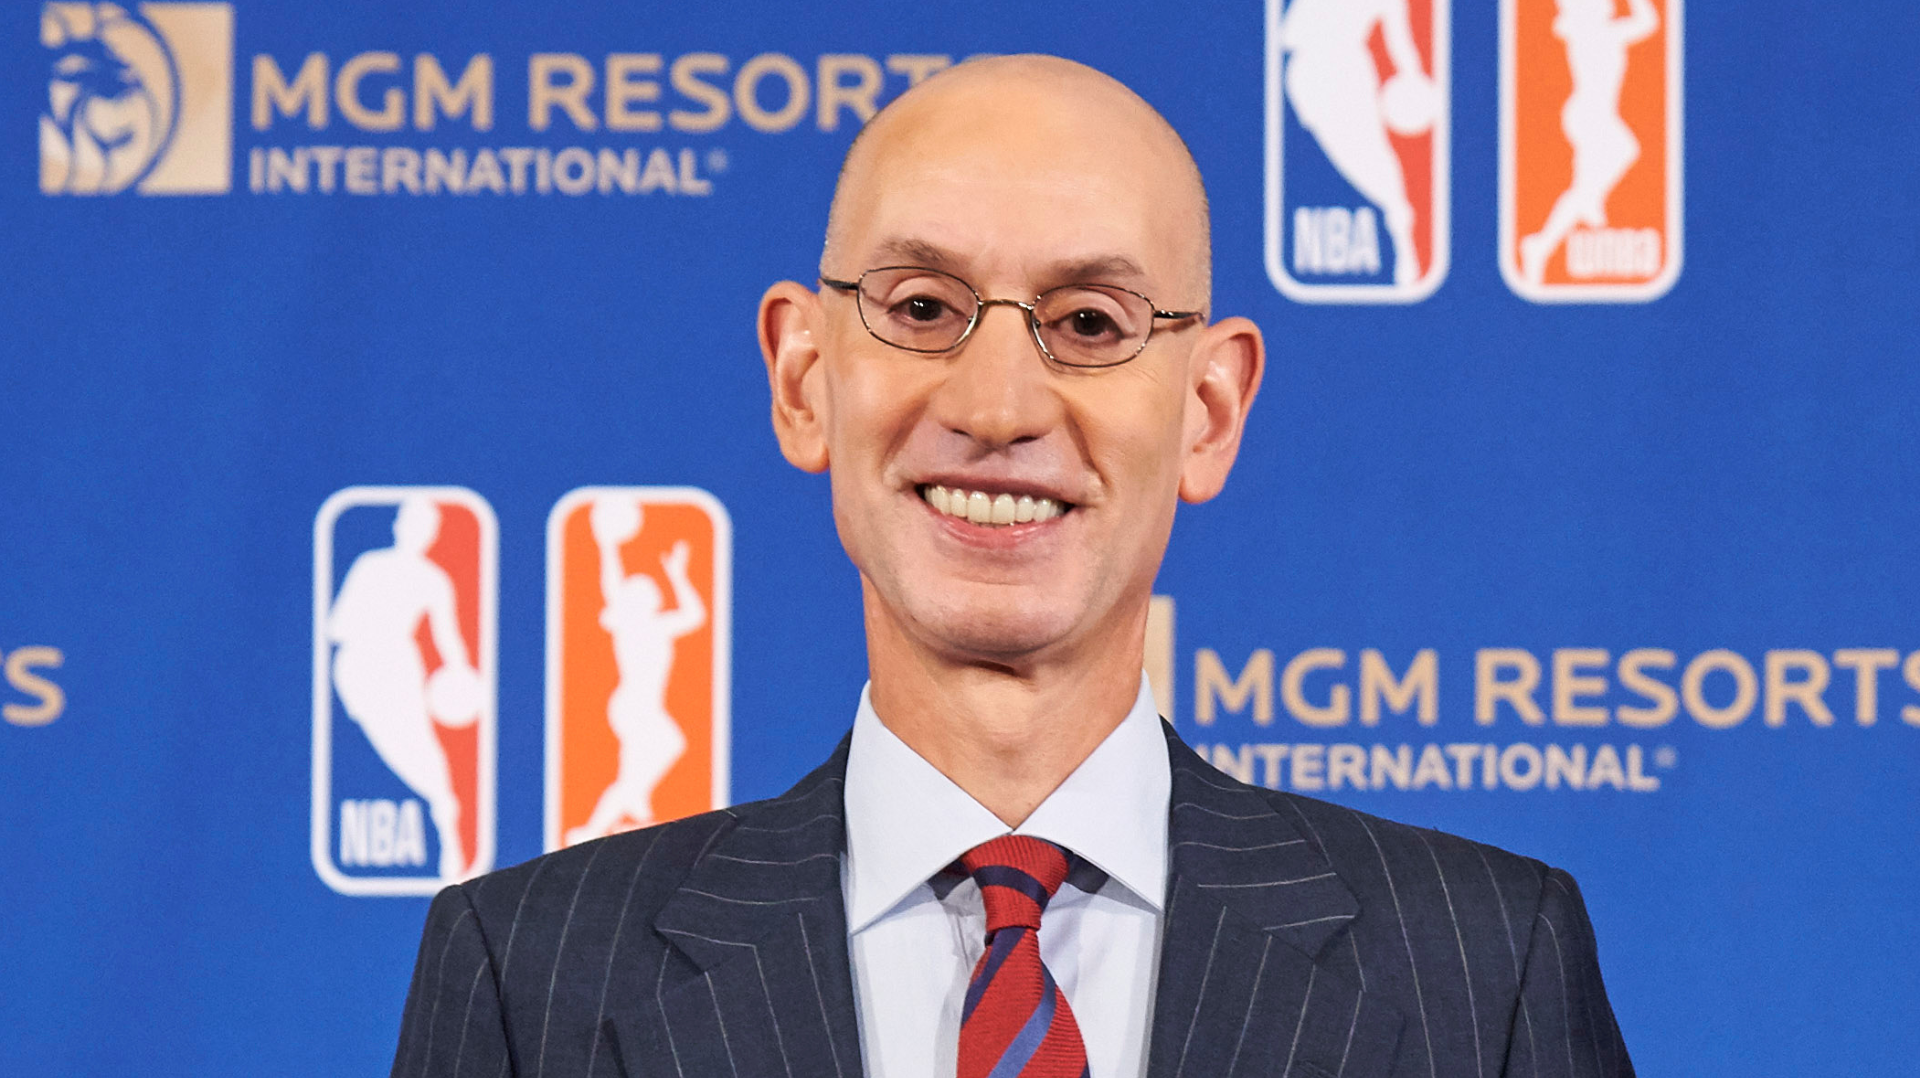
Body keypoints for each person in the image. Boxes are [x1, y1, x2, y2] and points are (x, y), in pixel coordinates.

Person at [389, 55, 1633, 1078]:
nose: (996, 403)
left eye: (1090, 322)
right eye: (923, 307)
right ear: (803, 378)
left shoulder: (1482, 966)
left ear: (1209, 409)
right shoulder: (529, 978)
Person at [329, 496, 474, 881]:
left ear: (433, 535)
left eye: (426, 528)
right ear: (398, 527)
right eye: (411, 524)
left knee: (430, 762)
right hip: (362, 668)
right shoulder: (370, 566)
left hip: (400, 667)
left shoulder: (434, 580)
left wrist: (459, 676)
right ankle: (446, 815)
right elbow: (337, 627)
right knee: (408, 753)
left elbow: (450, 640)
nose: (417, 533)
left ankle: (450, 837)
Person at [565, 496, 706, 847]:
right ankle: (595, 827)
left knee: (666, 748)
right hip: (633, 706)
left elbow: (694, 615)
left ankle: (626, 804)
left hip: (643, 707)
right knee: (658, 753)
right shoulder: (632, 627)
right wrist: (607, 546)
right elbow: (610, 584)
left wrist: (677, 576)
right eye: (646, 590)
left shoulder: (658, 625)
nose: (653, 593)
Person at [1282, 0, 1435, 285]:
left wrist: (1411, 77)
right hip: (1303, 70)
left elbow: (1399, 41)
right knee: (1337, 156)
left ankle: (1401, 225)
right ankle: (1399, 217)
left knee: (1368, 154)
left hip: (1343, 69)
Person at [1519, 0, 1659, 284]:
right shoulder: (1599, 34)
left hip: (1591, 114)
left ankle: (1585, 204)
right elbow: (1647, 23)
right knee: (1596, 177)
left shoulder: (1591, 31)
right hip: (1590, 116)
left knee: (1625, 152)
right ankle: (1540, 245)